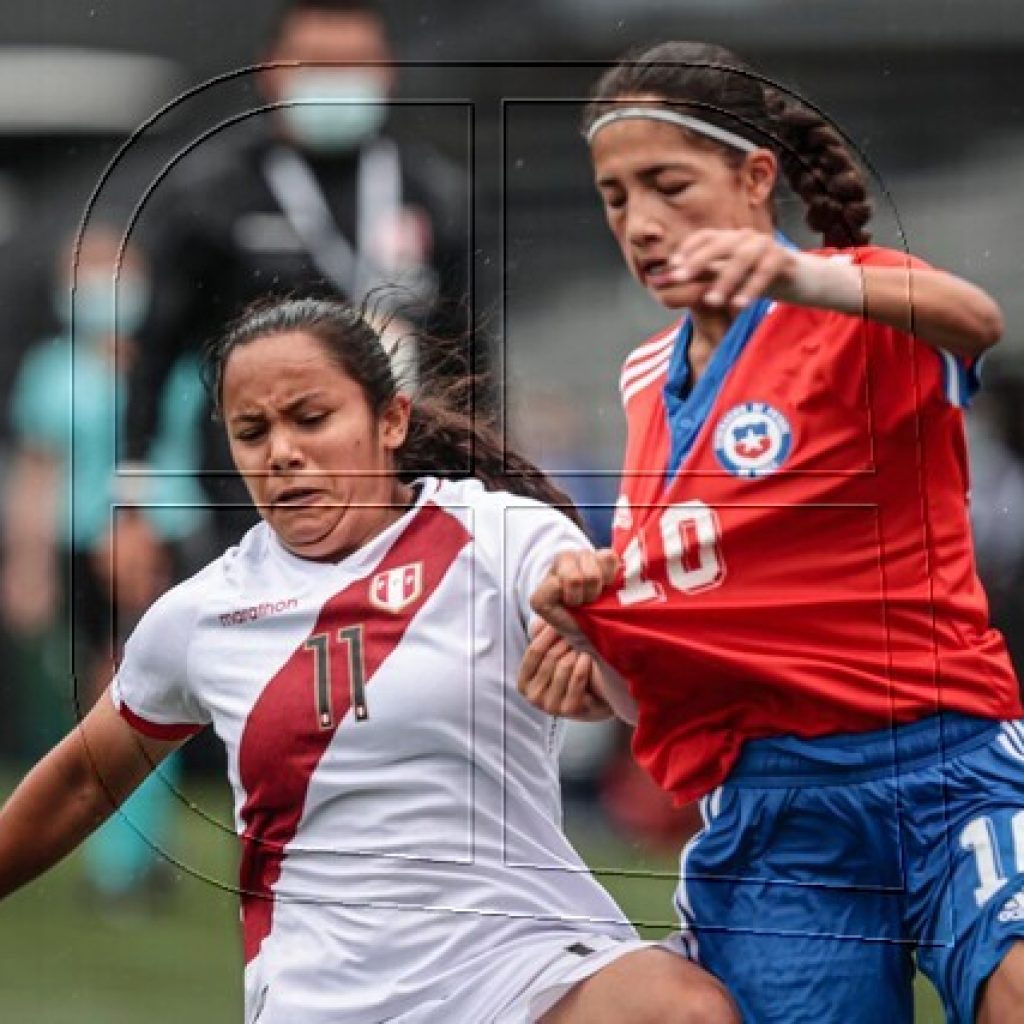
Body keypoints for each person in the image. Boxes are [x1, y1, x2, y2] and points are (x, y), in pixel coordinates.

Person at [0, 297, 738, 1024]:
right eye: (251, 431)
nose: (282, 450)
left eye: (311, 418)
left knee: (682, 1010)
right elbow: (78, 783)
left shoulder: (505, 536)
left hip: (524, 965)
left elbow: (649, 696)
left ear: (391, 420)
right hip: (325, 998)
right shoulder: (201, 615)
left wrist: (599, 668)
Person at [518, 41, 1024, 1024]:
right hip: (776, 813)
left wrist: (804, 278)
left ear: (756, 179)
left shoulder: (851, 300)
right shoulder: (640, 384)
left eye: (669, 184)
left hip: (944, 765)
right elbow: (670, 672)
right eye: (616, 197)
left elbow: (975, 319)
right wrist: (589, 645)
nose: (643, 222)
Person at [123, 0, 469, 552]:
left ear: (386, 69)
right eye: (318, 65)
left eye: (353, 64)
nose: (337, 81)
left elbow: (472, 350)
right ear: (272, 69)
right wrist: (132, 499)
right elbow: (154, 352)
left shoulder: (432, 189)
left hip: (409, 482)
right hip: (254, 498)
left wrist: (485, 474)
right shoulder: (211, 192)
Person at [1, 224, 206, 903]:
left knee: (155, 683)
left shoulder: (169, 360)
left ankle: (139, 853)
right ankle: (121, 858)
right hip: (83, 539)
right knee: (108, 689)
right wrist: (24, 564)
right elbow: (37, 472)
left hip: (166, 529)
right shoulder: (51, 370)